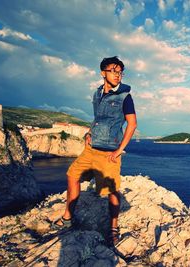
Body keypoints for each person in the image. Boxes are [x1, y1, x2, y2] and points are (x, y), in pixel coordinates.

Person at [52, 56, 137, 247]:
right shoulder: (97, 94)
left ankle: (113, 228)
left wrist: (119, 150)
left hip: (108, 153)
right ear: (103, 73)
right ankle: (67, 217)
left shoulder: (125, 96)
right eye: (113, 70)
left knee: (112, 191)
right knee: (72, 175)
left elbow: (132, 124)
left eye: (120, 71)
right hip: (90, 149)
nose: (117, 74)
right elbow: (97, 118)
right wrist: (89, 132)